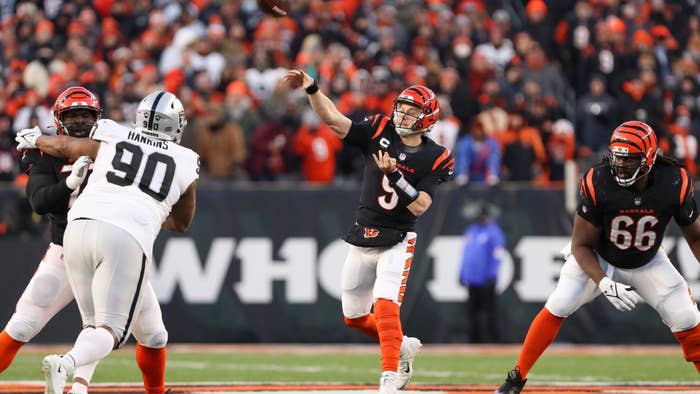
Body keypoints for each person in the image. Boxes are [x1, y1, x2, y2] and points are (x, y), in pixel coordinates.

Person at [15, 90, 199, 394]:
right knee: (112, 330)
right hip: (125, 236)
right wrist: (151, 208)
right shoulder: (185, 159)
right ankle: (67, 363)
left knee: (108, 328)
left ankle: (78, 388)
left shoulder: (115, 133)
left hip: (77, 229)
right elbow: (181, 223)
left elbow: (63, 145)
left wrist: (36, 140)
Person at [495, 121, 700, 394]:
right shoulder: (598, 180)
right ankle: (516, 378)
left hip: (648, 259)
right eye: (618, 157)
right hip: (598, 255)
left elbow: (695, 237)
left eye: (629, 159)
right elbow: (579, 245)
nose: (621, 165)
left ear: (648, 159)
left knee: (687, 317)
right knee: (560, 302)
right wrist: (603, 282)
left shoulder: (674, 181)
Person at [284, 69, 454, 394]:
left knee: (386, 304)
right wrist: (313, 89)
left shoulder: (436, 157)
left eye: (411, 109)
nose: (402, 113)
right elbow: (335, 121)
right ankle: (401, 345)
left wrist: (396, 176)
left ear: (427, 118)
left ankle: (389, 377)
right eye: (401, 106)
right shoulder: (379, 129)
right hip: (364, 233)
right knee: (354, 316)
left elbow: (420, 207)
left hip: (398, 237)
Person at [459, 204, 505, 343]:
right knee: (472, 312)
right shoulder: (471, 231)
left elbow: (498, 255)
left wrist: (493, 273)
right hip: (472, 279)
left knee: (489, 311)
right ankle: (474, 340)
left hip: (486, 279)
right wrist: (462, 273)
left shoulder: (494, 232)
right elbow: (466, 254)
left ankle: (493, 340)